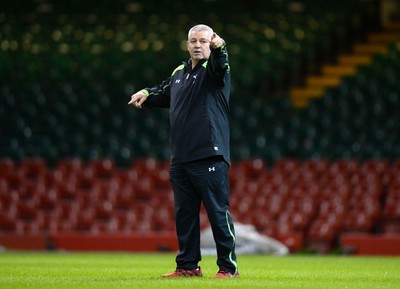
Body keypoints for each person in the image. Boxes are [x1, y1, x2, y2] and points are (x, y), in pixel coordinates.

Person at [128, 24, 238, 278]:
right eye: (193, 41)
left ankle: (227, 268)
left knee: (217, 212)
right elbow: (163, 91)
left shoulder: (215, 69)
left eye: (203, 41)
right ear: (187, 44)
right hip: (181, 158)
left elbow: (221, 65)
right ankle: (188, 266)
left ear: (210, 43)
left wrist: (221, 49)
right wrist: (146, 92)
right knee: (185, 215)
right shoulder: (179, 72)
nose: (198, 45)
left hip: (209, 154)